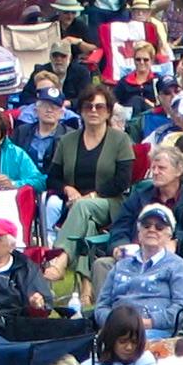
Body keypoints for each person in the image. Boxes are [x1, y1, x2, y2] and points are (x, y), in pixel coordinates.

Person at [47, 83, 135, 260]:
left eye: (100, 106)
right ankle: (86, 283)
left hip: (109, 202)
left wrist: (91, 197)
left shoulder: (121, 140)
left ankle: (59, 256)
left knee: (83, 206)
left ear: (109, 112)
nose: (93, 111)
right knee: (88, 226)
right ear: (81, 111)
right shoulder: (67, 141)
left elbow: (122, 181)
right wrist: (67, 189)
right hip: (72, 203)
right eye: (88, 106)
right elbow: (52, 178)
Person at [96, 203, 183, 332]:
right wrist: (116, 323)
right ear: (139, 232)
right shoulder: (120, 266)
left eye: (159, 227)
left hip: (157, 333)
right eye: (146, 226)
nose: (152, 229)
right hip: (116, 331)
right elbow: (101, 306)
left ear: (169, 235)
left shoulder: (178, 267)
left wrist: (146, 323)